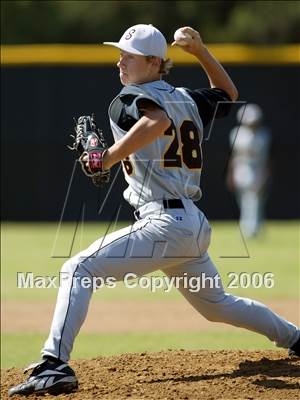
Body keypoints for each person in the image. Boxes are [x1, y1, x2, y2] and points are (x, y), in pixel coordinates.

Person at [9, 24, 300, 397]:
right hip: (189, 222)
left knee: (78, 269)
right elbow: (228, 93)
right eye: (120, 54)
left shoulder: (129, 97)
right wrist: (201, 51)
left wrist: (108, 158)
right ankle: (294, 336)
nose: (119, 62)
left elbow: (156, 121)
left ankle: (54, 365)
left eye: (127, 56)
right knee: (217, 306)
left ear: (152, 62)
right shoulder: (188, 99)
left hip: (164, 222)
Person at [227, 103, 271, 238]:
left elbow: (267, 158)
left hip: (257, 169)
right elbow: (234, 156)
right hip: (241, 168)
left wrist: (265, 174)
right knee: (244, 199)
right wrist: (231, 174)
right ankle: (249, 227)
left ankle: (252, 228)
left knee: (254, 199)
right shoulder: (236, 133)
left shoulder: (263, 135)